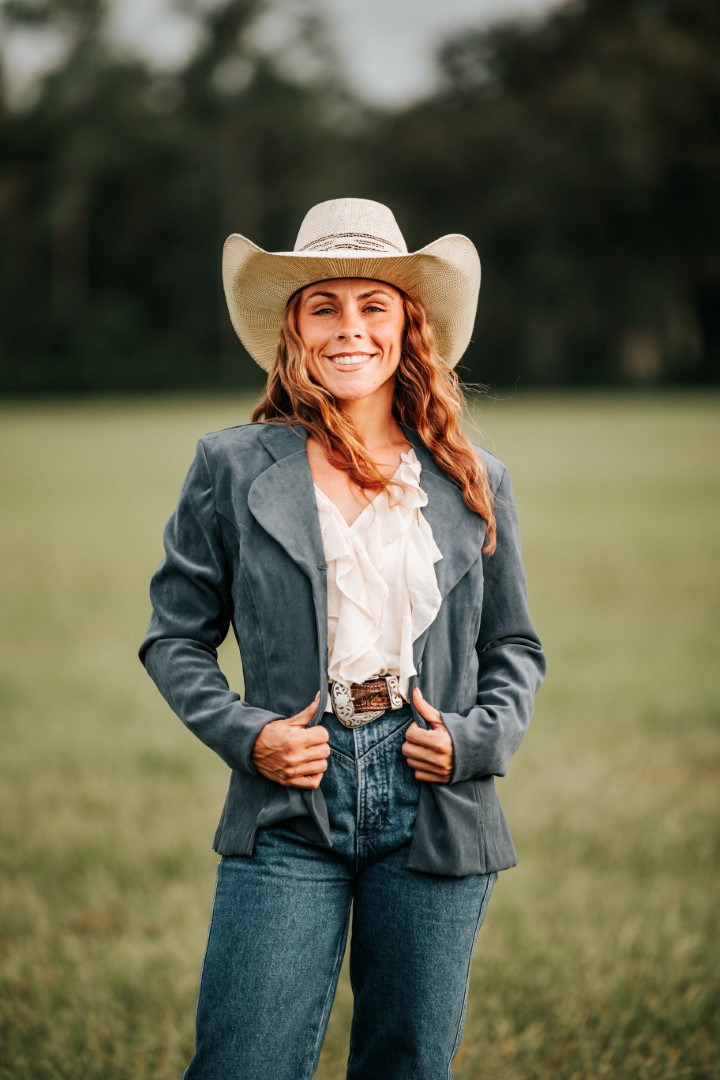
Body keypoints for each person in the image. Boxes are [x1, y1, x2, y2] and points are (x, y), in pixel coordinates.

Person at [139, 197, 545, 1080]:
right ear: (295, 330)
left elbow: (515, 646)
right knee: (244, 1062)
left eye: (374, 305)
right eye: (324, 306)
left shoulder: (475, 479)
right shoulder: (229, 466)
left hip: (435, 800)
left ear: (408, 326)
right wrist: (249, 735)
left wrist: (475, 740)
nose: (349, 327)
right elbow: (174, 638)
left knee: (408, 1062)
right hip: (290, 800)